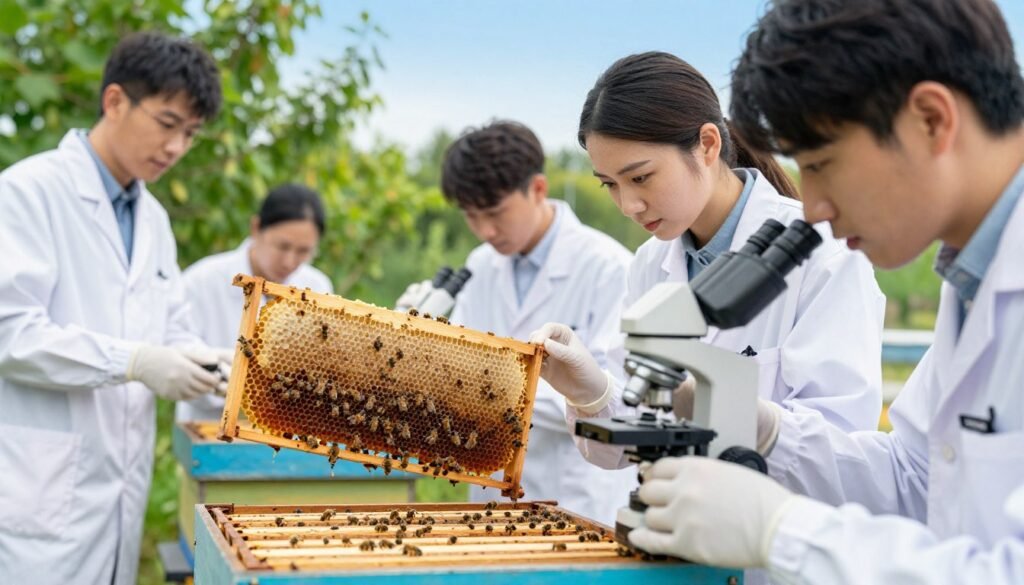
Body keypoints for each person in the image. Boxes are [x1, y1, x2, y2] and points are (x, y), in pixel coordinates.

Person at [622, 1, 1024, 582]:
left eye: (822, 163)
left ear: (932, 120)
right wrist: (772, 431)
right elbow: (915, 479)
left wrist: (780, 531)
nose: (812, 207)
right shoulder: (973, 280)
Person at [531, 52, 885, 477]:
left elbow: (841, 451)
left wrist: (731, 413)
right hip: (671, 530)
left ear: (708, 145)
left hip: (770, 534)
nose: (628, 205)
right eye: (610, 184)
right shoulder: (650, 263)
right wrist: (591, 391)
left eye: (641, 177)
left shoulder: (823, 254)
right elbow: (620, 448)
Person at [0, 32, 225, 584]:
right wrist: (133, 361)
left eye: (191, 135)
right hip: (37, 494)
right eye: (168, 124)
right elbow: (11, 333)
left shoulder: (153, 220)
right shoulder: (28, 193)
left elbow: (171, 328)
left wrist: (212, 364)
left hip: (119, 488)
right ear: (116, 101)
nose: (175, 148)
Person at [430, 120, 638, 524]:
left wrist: (485, 392)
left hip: (578, 500)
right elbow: (452, 370)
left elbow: (615, 403)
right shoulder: (481, 265)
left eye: (495, 212)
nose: (485, 230)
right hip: (491, 499)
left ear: (538, 189)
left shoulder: (609, 269)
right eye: (471, 216)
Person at [176, 183, 333, 422]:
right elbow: (178, 359)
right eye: (282, 246)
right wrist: (226, 380)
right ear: (256, 228)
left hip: (286, 433)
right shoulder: (201, 281)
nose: (290, 261)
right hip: (210, 430)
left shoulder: (318, 287)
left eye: (303, 251)